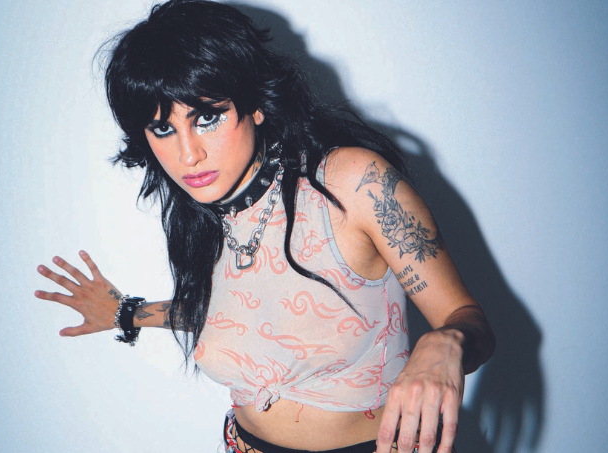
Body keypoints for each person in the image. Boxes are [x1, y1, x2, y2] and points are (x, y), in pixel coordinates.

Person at [35, 1, 495, 452]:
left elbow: (467, 318)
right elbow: (233, 313)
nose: (188, 155)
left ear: (255, 103)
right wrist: (127, 313)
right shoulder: (204, 211)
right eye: (163, 129)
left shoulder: (354, 184)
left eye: (207, 117)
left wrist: (447, 341)